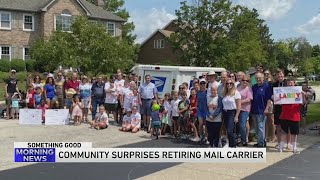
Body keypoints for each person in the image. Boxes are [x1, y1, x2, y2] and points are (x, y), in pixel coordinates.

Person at [278, 77, 304, 154]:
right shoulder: (283, 91)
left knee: (294, 133)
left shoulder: (299, 91)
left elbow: (303, 103)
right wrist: (275, 97)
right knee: (284, 132)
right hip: (284, 115)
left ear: (294, 82)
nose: (289, 84)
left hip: (295, 116)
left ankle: (294, 148)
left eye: (291, 82)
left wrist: (302, 94)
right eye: (288, 82)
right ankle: (281, 147)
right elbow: (278, 101)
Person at [252, 72, 272, 147]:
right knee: (257, 128)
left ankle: (261, 144)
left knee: (261, 127)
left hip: (262, 110)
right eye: (256, 78)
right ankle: (260, 141)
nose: (258, 79)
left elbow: (269, 99)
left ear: (263, 78)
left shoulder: (267, 86)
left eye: (259, 78)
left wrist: (267, 108)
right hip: (254, 110)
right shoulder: (254, 87)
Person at [222, 79, 241, 147]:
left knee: (230, 130)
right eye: (227, 83)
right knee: (227, 130)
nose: (229, 85)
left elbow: (239, 106)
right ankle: (230, 144)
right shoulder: (225, 93)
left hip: (232, 112)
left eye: (230, 83)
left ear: (233, 84)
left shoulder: (236, 93)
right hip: (225, 112)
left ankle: (233, 145)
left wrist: (236, 116)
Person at [272, 69, 287, 147]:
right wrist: (272, 97)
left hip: (286, 108)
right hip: (278, 108)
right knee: (278, 126)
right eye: (279, 75)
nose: (280, 76)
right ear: (277, 76)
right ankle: (279, 142)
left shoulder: (287, 83)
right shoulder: (274, 84)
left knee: (286, 126)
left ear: (284, 75)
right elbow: (271, 94)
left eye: (281, 75)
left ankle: (287, 143)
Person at [237, 75, 253, 146]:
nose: (245, 82)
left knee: (242, 125)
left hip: (245, 109)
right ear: (241, 81)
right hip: (237, 109)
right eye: (244, 80)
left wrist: (239, 102)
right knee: (238, 125)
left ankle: (244, 140)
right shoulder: (238, 88)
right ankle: (239, 138)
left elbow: (249, 99)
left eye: (247, 81)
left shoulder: (249, 89)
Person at [197, 79, 208, 144]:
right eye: (201, 83)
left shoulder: (207, 91)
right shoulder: (198, 92)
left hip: (206, 110)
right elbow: (197, 101)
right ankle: (201, 136)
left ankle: (206, 137)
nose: (203, 84)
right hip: (200, 110)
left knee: (206, 124)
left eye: (204, 83)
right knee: (201, 124)